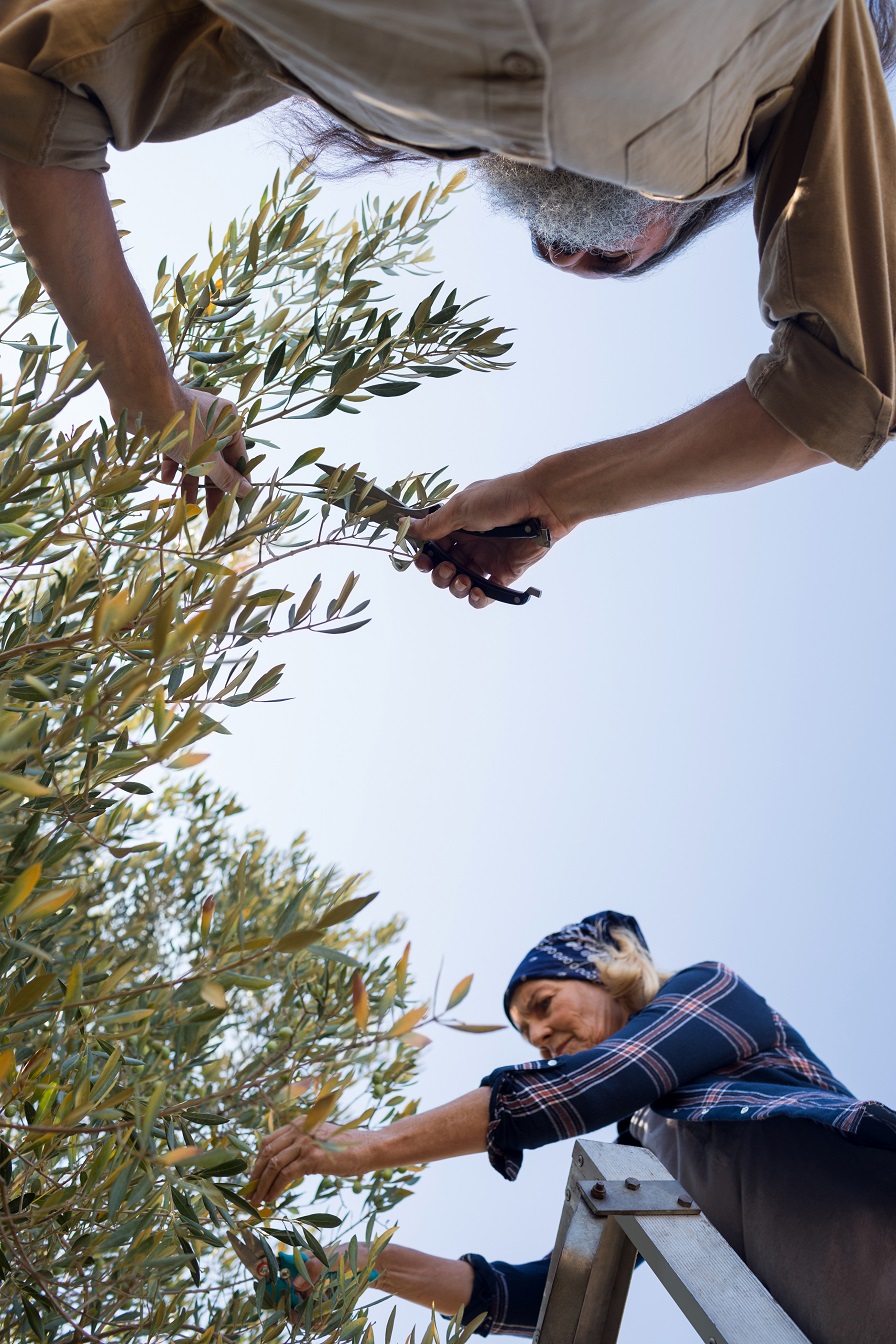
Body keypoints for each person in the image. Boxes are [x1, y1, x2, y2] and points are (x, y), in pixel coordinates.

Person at [0, 3, 894, 557]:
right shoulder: (809, 43)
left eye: (554, 249)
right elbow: (843, 389)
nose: (564, 251)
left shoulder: (355, 59)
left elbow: (32, 86)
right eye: (608, 257)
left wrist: (152, 397)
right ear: (688, 212)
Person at [249, 911, 896, 1344]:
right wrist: (365, 1264)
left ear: (605, 967)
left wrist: (363, 1146)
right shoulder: (646, 1153)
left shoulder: (713, 991)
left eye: (543, 1005)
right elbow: (554, 1291)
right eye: (525, 1030)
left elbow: (589, 1085)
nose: (539, 1034)